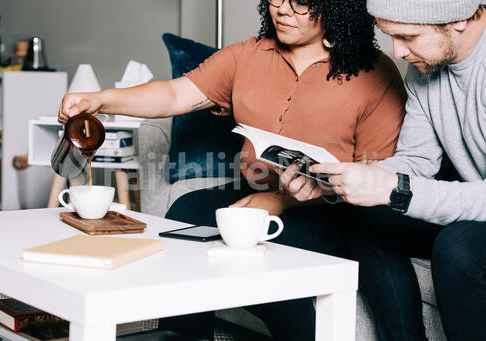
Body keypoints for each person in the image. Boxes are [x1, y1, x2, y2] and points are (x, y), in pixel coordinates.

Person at [58, 0, 406, 339]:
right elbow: (174, 95)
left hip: (330, 210)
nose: (282, 8)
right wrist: (101, 100)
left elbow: (376, 174)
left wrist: (282, 202)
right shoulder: (249, 54)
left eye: (300, 2)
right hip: (252, 192)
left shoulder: (374, 72)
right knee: (185, 213)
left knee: (267, 263)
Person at [281, 1, 486, 340]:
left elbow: (407, 186)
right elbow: (416, 161)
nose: (398, 51)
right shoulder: (426, 68)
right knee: (365, 212)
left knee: (459, 246)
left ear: (460, 19)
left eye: (408, 36)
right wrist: (342, 179)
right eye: (391, 36)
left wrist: (397, 191)